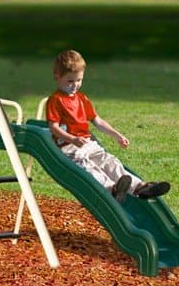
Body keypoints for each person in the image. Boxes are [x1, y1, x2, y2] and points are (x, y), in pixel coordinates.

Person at [46, 49, 171, 202]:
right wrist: (72, 139)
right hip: (69, 148)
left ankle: (139, 187)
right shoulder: (55, 100)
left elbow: (97, 121)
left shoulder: (81, 98)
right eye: (70, 81)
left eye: (79, 80)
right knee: (87, 167)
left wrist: (117, 135)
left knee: (109, 161)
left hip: (87, 143)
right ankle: (112, 189)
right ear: (57, 77)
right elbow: (54, 127)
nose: (75, 85)